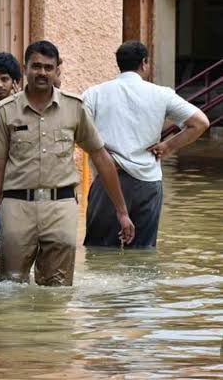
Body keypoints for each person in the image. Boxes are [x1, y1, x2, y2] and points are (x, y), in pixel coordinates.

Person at [0, 40, 135, 286]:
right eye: (36, 66)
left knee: (58, 288)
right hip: (17, 205)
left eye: (48, 67)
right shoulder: (5, 111)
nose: (42, 72)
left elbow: (101, 158)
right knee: (10, 285)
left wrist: (122, 212)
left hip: (61, 206)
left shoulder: (75, 108)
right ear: (25, 68)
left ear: (57, 70)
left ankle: (53, 325)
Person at [83, 41, 209, 248]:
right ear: (144, 63)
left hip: (108, 181)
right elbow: (201, 123)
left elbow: (77, 129)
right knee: (143, 254)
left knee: (100, 252)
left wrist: (102, 153)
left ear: (119, 64)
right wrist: (169, 146)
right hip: (147, 183)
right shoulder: (161, 94)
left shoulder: (94, 94)